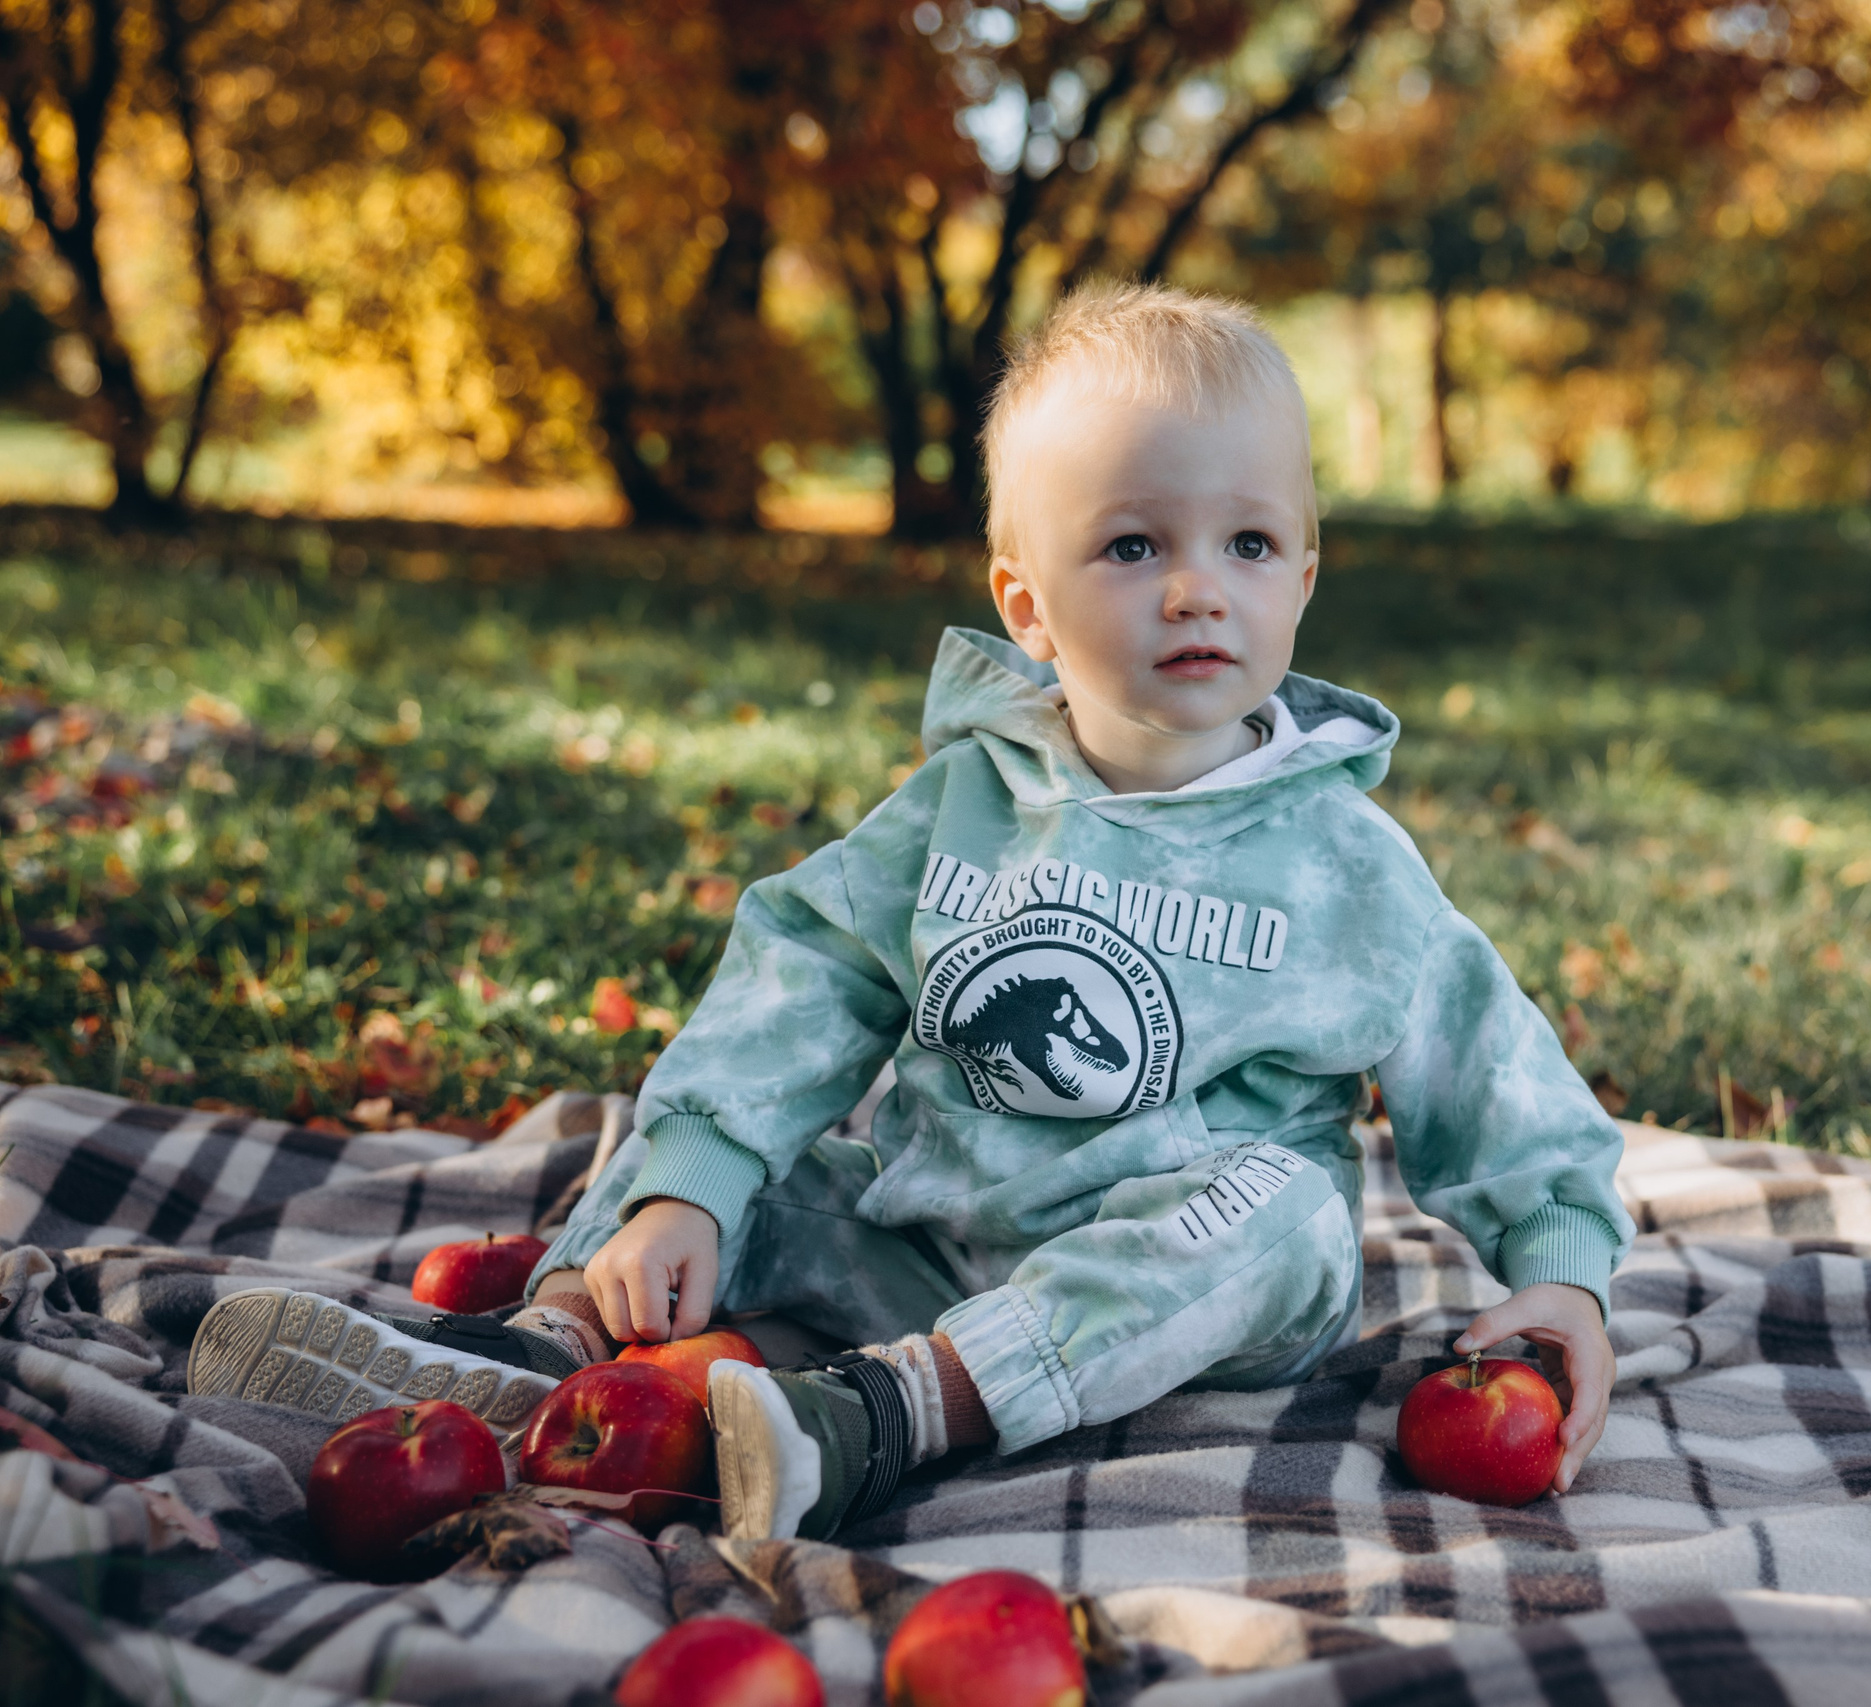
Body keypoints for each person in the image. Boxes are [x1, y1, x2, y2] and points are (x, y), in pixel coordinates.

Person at [191, 281, 1632, 1541]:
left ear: (1305, 578)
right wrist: (690, 1178)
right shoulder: (963, 809)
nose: (1199, 587)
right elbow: (800, 976)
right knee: (753, 1173)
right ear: (1028, 603)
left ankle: (893, 1415)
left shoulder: (1341, 862)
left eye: (1250, 545)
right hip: (918, 1234)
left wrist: (1561, 1277)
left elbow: (1485, 1061)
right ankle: (534, 1348)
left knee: (1295, 1217)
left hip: (1168, 1289)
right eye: (1134, 548)